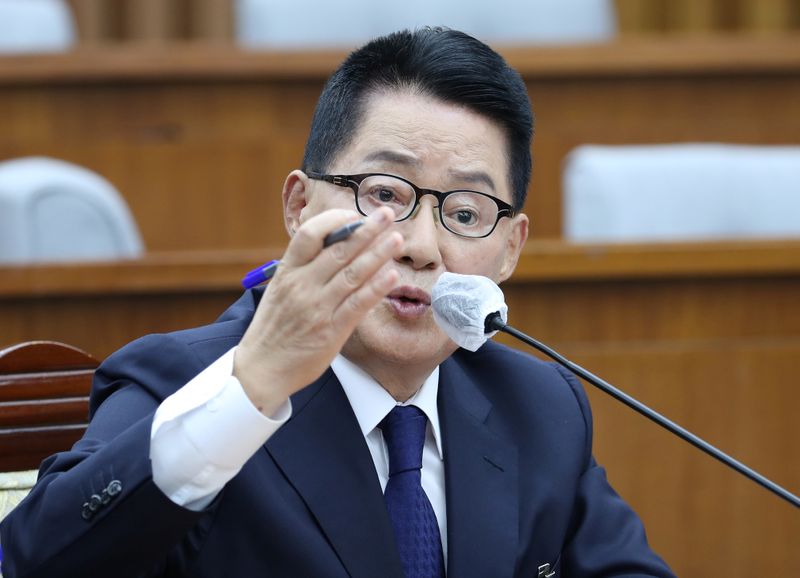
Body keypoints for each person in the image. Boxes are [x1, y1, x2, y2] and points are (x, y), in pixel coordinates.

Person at [0, 28, 674, 578]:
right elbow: (38, 561)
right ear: (299, 206)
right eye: (384, 194)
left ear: (509, 250)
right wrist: (254, 386)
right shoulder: (180, 383)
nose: (420, 246)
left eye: (467, 211)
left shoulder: (542, 408)